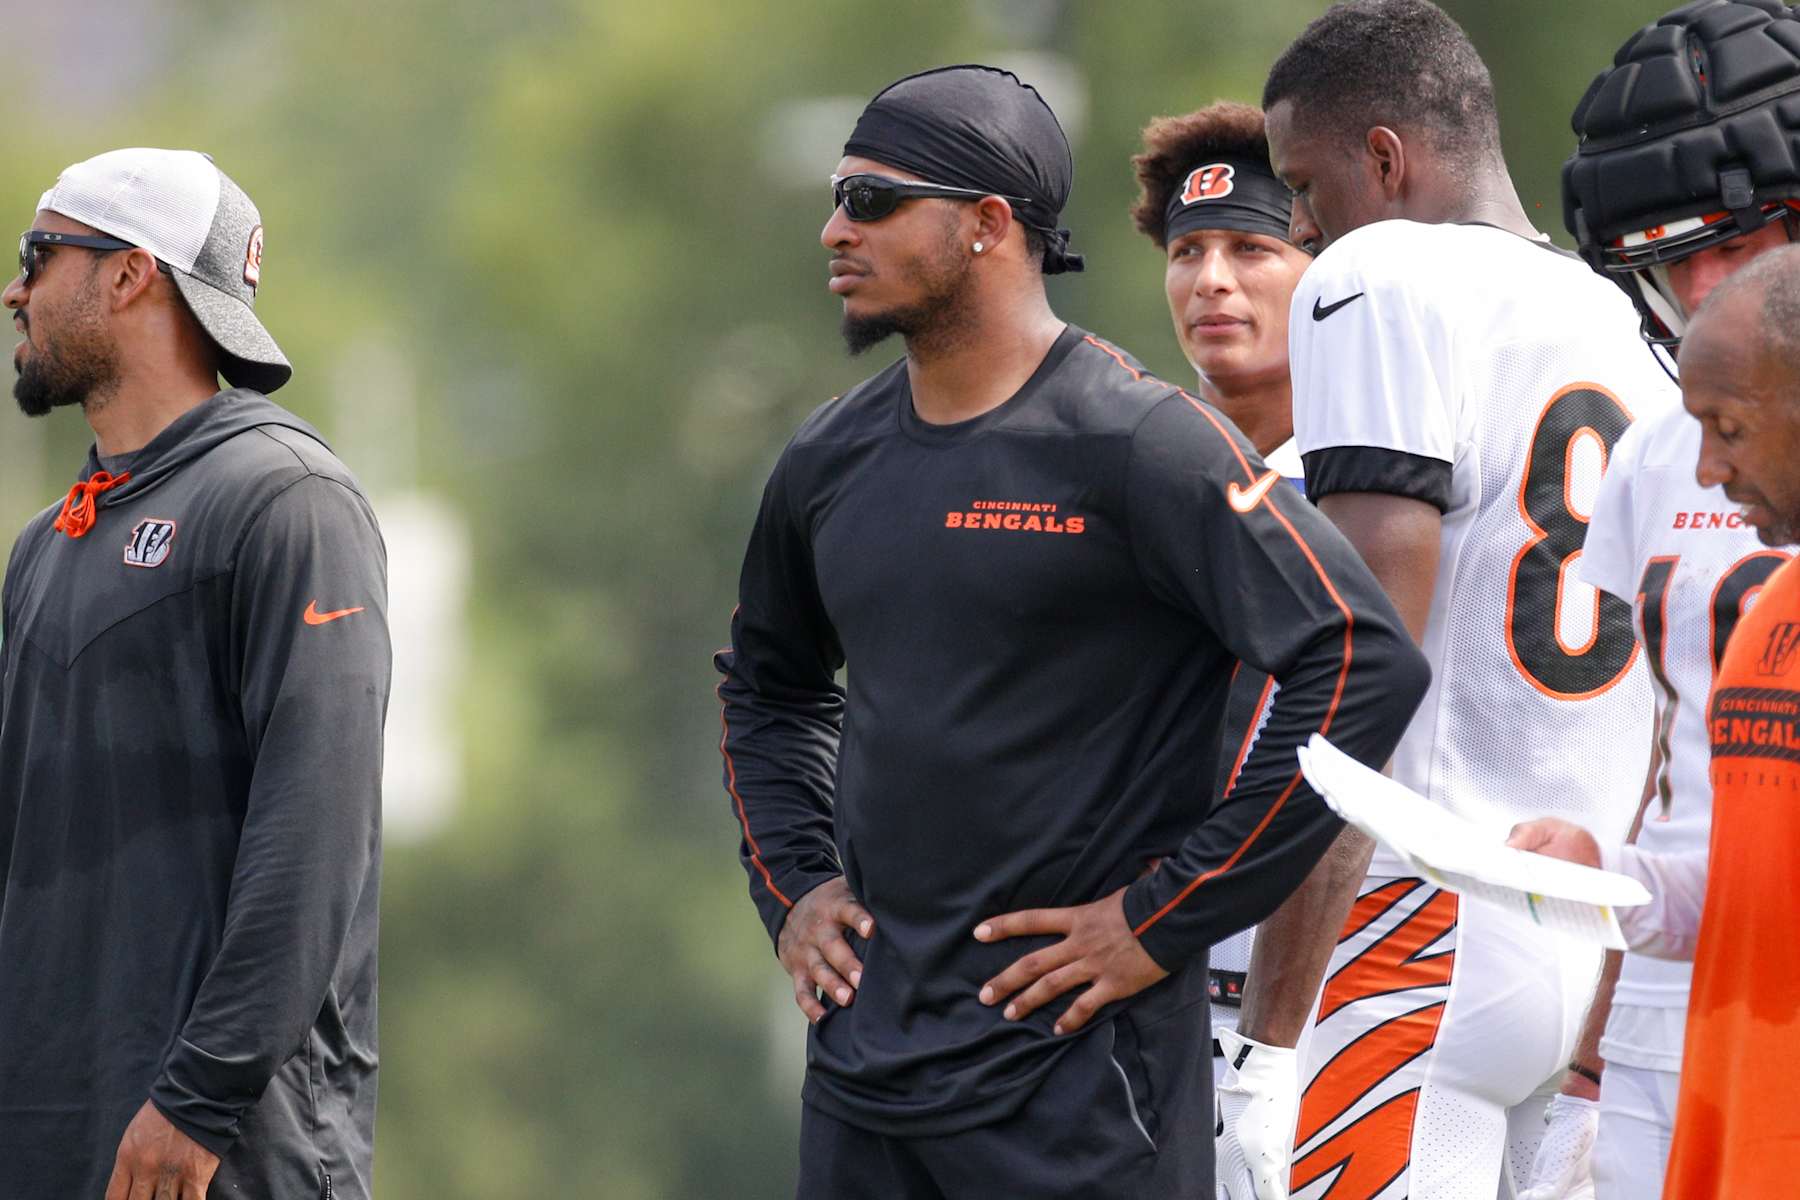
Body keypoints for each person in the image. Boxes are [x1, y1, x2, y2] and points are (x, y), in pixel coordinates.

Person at [714, 64, 1430, 1198]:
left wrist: (1163, 917)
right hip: (863, 1086)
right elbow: (769, 687)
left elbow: (1360, 660)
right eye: (839, 200)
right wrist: (795, 885)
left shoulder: (1140, 443)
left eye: (872, 200)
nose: (835, 231)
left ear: (988, 224)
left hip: (1086, 1099)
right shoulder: (828, 458)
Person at [1214, 4, 1682, 1198]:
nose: (1300, 227)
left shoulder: (1382, 273)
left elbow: (1358, 673)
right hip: (1586, 936)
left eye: (1305, 184)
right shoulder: (1630, 317)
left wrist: (1266, 1041)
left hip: (1414, 929)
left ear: (1385, 157)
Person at [0, 149, 389, 1198]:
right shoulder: (44, 545)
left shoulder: (290, 501)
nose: (14, 292)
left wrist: (197, 1100)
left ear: (131, 274)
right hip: (49, 1137)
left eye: (39, 256)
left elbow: (314, 833)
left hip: (219, 1151)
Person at [1512, 6, 1800, 1196]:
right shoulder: (1661, 446)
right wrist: (1593, 1048)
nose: (1704, 288)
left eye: (1734, 244)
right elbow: (1666, 750)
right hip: (1685, 962)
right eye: (1671, 262)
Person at [1127, 101, 1315, 1120]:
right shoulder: (1125, 465)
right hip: (1140, 983)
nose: (1211, 280)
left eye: (1251, 248)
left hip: (1331, 992)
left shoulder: (1380, 494)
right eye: (1187, 251)